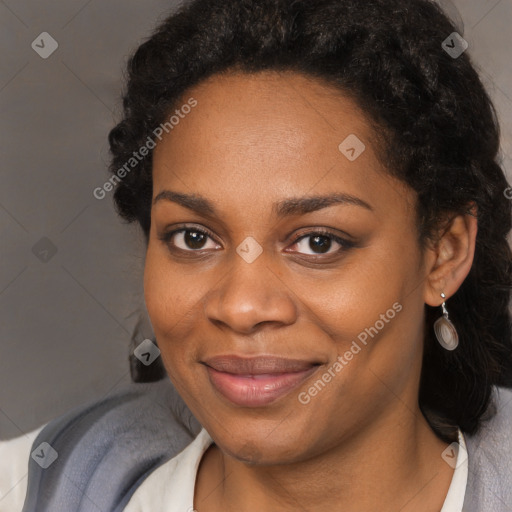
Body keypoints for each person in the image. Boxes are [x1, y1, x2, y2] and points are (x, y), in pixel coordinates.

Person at [1, 0, 512, 510]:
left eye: (318, 242)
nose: (241, 307)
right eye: (194, 238)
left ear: (445, 252)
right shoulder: (31, 488)